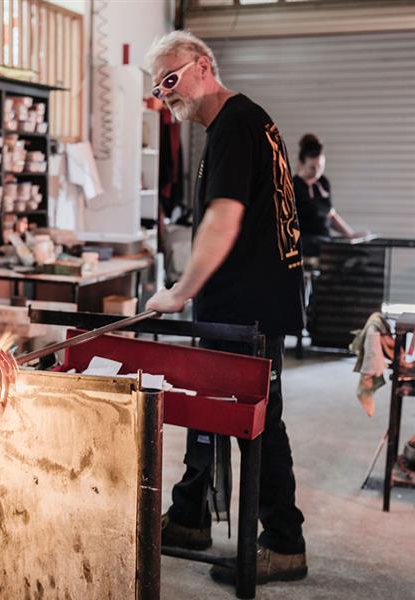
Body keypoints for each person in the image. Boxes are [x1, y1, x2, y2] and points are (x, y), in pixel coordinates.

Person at [143, 31, 308, 585]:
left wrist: (179, 291)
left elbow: (223, 219)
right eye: (158, 87)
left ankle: (283, 542)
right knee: (205, 409)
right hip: (238, 303)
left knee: (258, 424)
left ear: (202, 66)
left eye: (171, 79)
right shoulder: (234, 124)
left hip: (248, 308)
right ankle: (191, 516)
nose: (166, 93)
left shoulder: (236, 123)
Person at [293, 133, 362, 256]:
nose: (317, 172)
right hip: (305, 243)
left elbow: (330, 214)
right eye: (312, 168)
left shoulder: (323, 183)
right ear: (301, 163)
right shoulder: (294, 185)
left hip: (324, 241)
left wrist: (351, 235)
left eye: (320, 167)